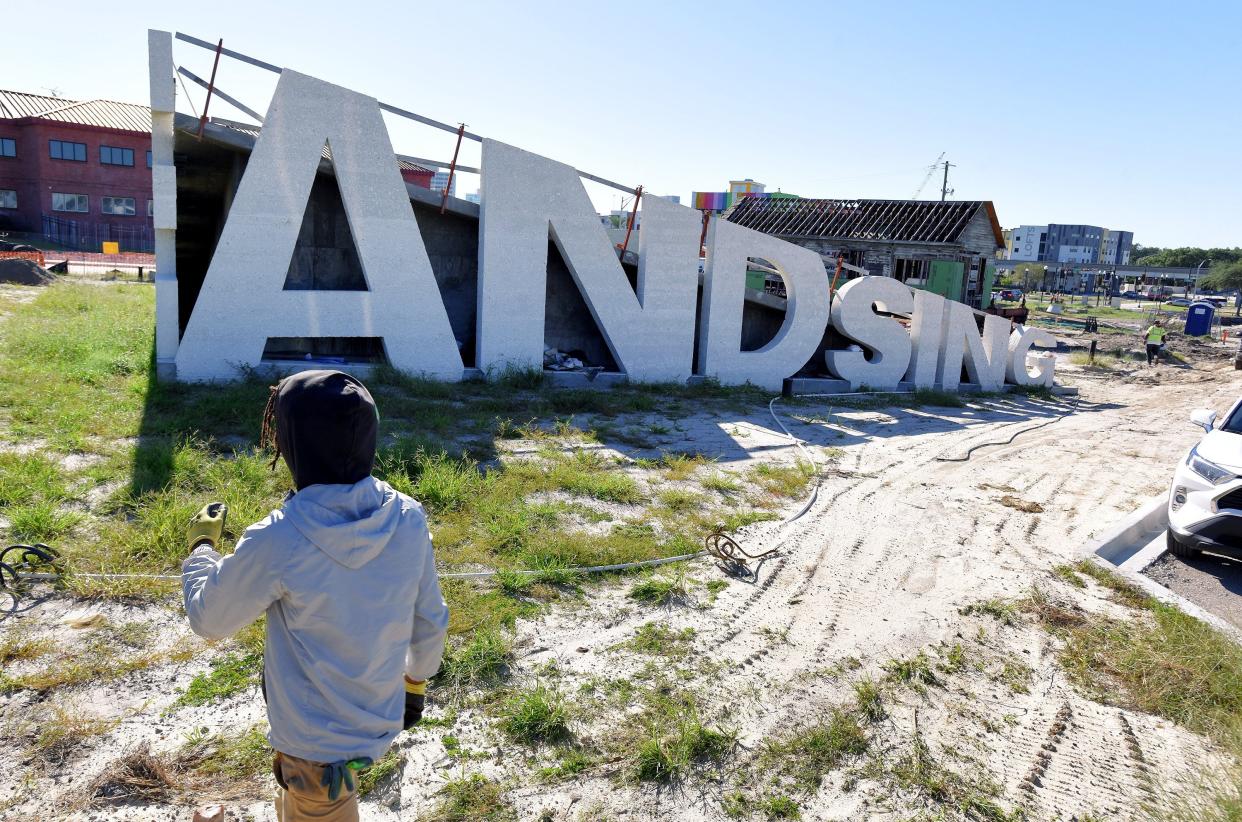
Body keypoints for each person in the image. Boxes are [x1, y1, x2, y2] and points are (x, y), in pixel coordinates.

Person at [181, 370, 449, 822]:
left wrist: (200, 550)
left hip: (313, 743)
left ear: (290, 443)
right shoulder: (407, 516)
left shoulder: (281, 536)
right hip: (378, 718)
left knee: (318, 807)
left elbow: (209, 617)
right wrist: (415, 684)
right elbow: (430, 620)